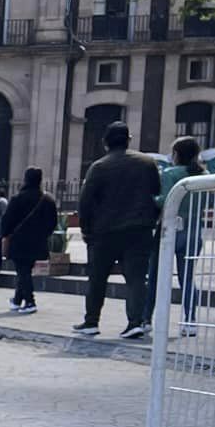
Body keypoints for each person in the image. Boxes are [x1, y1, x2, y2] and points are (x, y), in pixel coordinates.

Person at [74, 120, 162, 339]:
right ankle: (135, 321)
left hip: (105, 231)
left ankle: (91, 321)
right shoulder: (147, 163)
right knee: (136, 278)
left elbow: (85, 202)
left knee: (97, 277)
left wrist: (86, 229)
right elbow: (156, 193)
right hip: (139, 229)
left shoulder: (99, 167)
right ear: (129, 140)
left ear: (105, 143)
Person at [152, 135, 204, 337]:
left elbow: (163, 200)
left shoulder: (169, 174)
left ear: (176, 154)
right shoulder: (203, 175)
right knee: (188, 278)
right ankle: (190, 320)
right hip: (193, 232)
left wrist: (152, 198)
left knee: (157, 276)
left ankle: (147, 319)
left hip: (169, 231)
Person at [0, 167, 55, 316]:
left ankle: (30, 301)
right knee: (25, 270)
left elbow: (7, 220)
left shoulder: (18, 199)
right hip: (38, 241)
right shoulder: (47, 200)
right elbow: (52, 223)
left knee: (23, 271)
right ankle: (17, 300)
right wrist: (43, 235)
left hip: (19, 242)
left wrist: (5, 234)